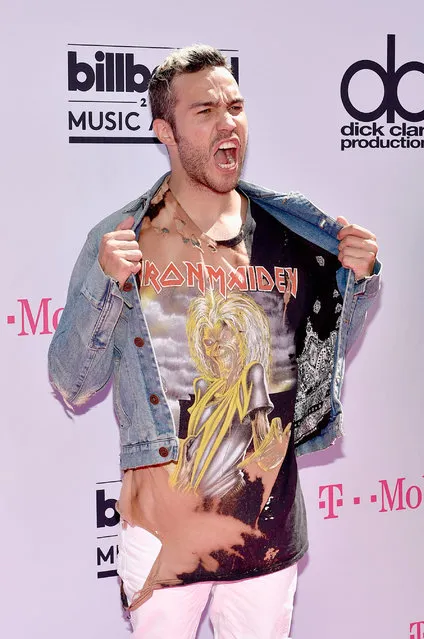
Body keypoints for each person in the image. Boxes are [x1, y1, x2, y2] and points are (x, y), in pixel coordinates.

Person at [48, 44, 380, 639]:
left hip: (266, 546)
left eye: (236, 106)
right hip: (164, 550)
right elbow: (72, 381)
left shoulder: (288, 237)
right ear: (164, 132)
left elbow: (317, 374)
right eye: (204, 111)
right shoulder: (123, 239)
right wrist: (105, 284)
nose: (229, 123)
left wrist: (353, 283)